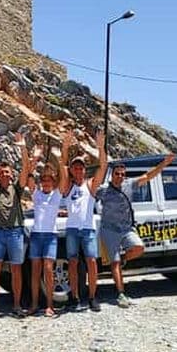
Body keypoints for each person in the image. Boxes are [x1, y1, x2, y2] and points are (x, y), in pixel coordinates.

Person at [97, 153, 176, 308]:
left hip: (126, 228)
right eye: (117, 174)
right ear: (111, 175)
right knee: (115, 262)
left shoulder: (129, 184)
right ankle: (121, 293)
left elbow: (148, 176)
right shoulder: (103, 190)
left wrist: (164, 164)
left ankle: (124, 258)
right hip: (110, 229)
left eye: (122, 174)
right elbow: (89, 194)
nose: (120, 176)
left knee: (139, 248)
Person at [0, 132, 35, 317]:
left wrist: (22, 147)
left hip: (15, 232)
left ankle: (16, 305)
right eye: (1, 172)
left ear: (11, 174)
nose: (4, 174)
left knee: (16, 269)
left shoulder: (17, 189)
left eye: (7, 172)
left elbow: (26, 169)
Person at [59, 131, 107, 312]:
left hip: (87, 230)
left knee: (92, 262)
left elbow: (103, 167)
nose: (78, 170)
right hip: (72, 229)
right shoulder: (68, 186)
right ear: (72, 170)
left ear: (85, 170)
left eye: (81, 167)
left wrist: (100, 147)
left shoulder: (90, 185)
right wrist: (65, 148)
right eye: (75, 167)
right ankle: (74, 296)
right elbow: (62, 168)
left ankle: (93, 296)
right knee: (72, 262)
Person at [27, 162, 63, 317]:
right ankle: (35, 304)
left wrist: (61, 161)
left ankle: (50, 305)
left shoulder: (56, 195)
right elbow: (29, 179)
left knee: (48, 269)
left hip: (50, 236)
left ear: (53, 183)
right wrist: (33, 161)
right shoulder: (37, 195)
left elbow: (64, 178)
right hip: (36, 235)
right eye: (44, 181)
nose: (46, 183)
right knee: (35, 272)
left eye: (49, 181)